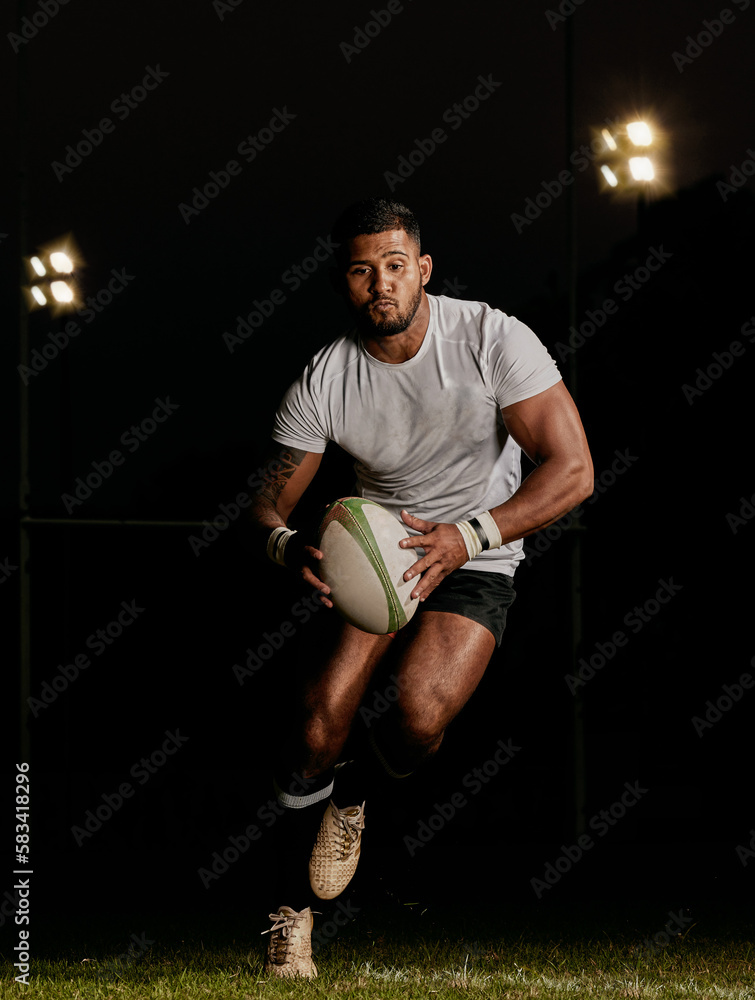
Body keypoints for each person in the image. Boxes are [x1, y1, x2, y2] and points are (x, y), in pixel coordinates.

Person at [250, 197, 593, 977]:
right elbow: (265, 502)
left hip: (478, 550)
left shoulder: (490, 336)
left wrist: (468, 535)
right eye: (363, 269)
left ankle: (355, 795)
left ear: (423, 270)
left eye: (395, 265)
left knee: (416, 716)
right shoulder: (327, 375)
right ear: (342, 282)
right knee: (314, 727)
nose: (381, 283)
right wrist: (284, 541)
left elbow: (574, 470)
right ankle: (290, 919)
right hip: (382, 552)